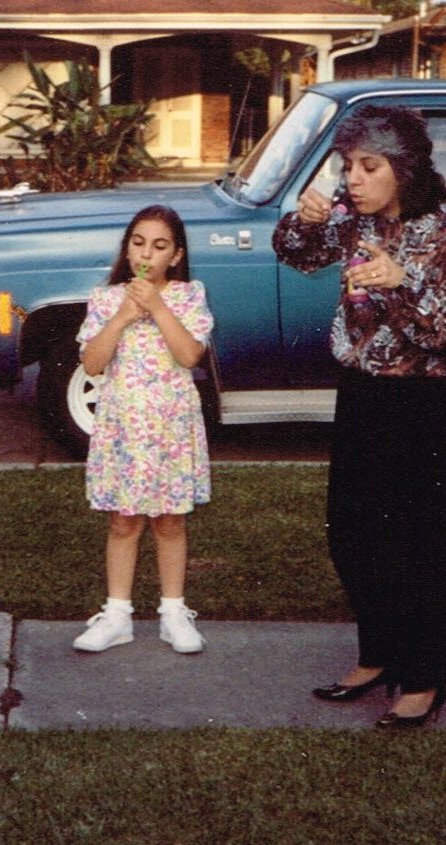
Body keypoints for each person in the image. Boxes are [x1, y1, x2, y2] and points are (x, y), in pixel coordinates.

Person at [272, 104, 446, 728]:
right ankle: (378, 653)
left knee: (420, 542)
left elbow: (441, 332)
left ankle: (424, 675)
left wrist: (401, 281)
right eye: (348, 166)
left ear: (402, 169)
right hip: (363, 392)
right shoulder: (350, 219)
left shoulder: (441, 229)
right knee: (351, 529)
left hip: (426, 404)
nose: (353, 179)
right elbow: (296, 252)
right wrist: (304, 218)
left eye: (368, 167)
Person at [72, 205, 214, 654]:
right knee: (124, 520)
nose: (146, 254)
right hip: (123, 425)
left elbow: (190, 356)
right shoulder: (105, 298)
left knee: (170, 521)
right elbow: (92, 363)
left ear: (175, 255)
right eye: (138, 242)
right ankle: (117, 615)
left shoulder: (189, 295)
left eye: (159, 245)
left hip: (170, 423)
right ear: (127, 248)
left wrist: (156, 306)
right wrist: (122, 317)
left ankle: (174, 613)